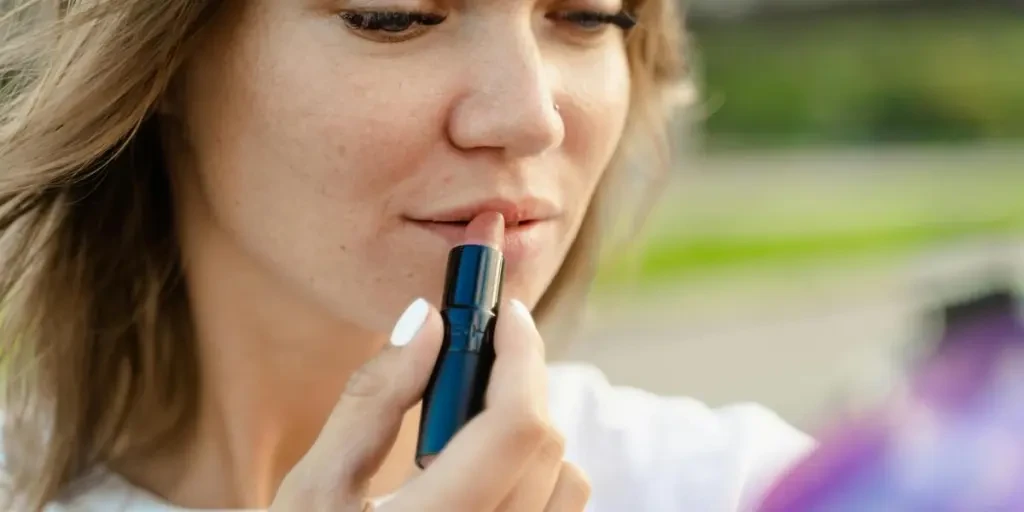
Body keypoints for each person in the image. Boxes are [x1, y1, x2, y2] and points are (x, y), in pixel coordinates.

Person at [0, 0, 813, 510]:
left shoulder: (744, 486)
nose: (532, 118)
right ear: (167, 61)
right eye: (394, 16)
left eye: (586, 16)